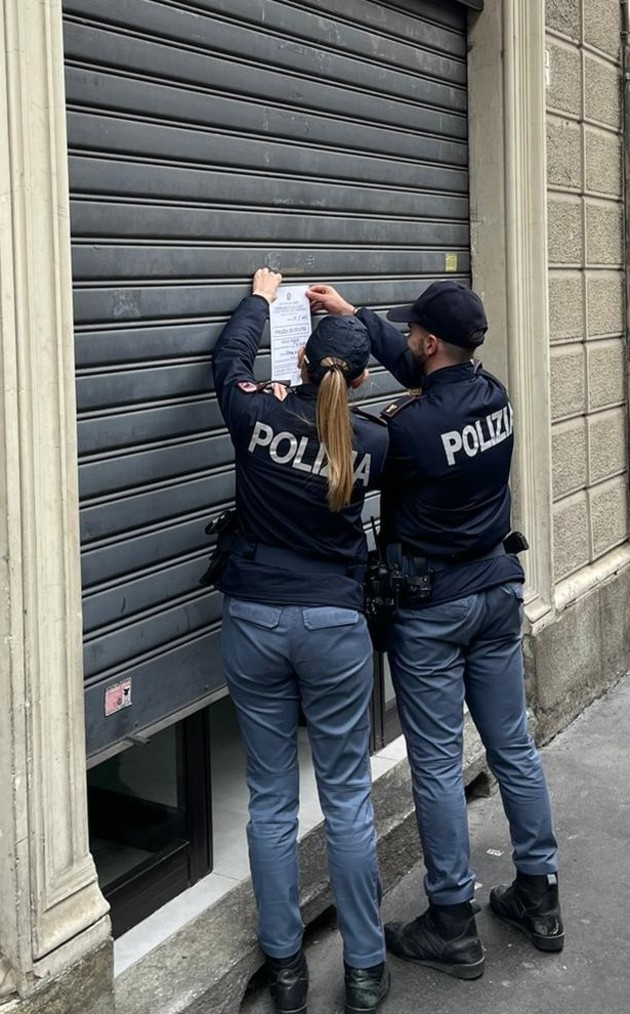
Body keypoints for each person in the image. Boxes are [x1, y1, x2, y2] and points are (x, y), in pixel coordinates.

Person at [305, 279, 564, 980]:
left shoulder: (405, 433)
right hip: (495, 592)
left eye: (412, 334)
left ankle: (452, 918)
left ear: (425, 343)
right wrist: (354, 316)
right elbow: (423, 369)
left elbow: (344, 457)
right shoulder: (497, 396)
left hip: (431, 610)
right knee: (513, 745)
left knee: (440, 764)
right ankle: (540, 896)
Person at [212, 268, 391, 1014]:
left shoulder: (257, 413)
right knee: (347, 798)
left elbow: (225, 360)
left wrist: (260, 295)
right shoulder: (379, 440)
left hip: (254, 621)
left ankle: (285, 972)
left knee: (269, 800)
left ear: (299, 364)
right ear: (357, 378)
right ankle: (364, 970)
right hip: (336, 628)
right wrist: (359, 317)